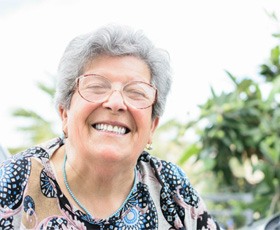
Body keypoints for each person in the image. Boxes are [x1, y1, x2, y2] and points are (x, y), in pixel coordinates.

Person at [0, 24, 220, 229]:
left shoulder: (172, 188)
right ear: (64, 113)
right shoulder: (15, 180)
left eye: (136, 92)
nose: (116, 103)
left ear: (152, 126)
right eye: (97, 86)